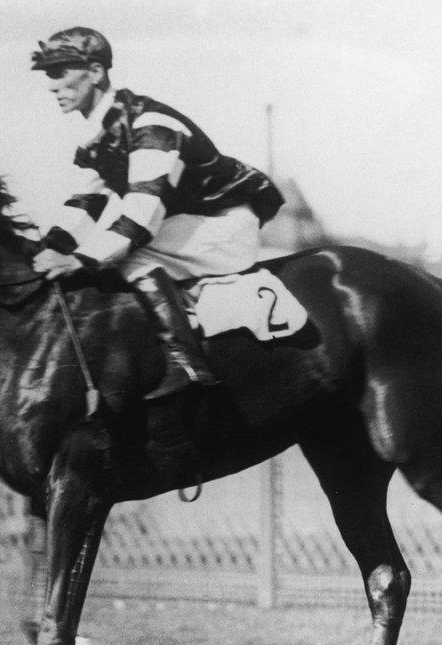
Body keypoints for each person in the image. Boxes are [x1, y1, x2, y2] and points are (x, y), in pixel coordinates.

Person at [29, 27, 284, 399]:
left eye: (60, 72)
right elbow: (84, 203)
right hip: (185, 224)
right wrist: (44, 250)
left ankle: (191, 367)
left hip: (224, 224)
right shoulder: (97, 136)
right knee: (102, 253)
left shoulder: (153, 125)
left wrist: (77, 260)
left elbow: (140, 216)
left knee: (122, 257)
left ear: (96, 72)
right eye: (49, 76)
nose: (52, 86)